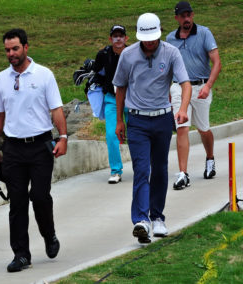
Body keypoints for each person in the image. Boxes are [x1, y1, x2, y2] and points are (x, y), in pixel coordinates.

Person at [0, 28, 67, 273]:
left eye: (15, 49)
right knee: (17, 202)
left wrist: (63, 137)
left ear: (25, 47)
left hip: (41, 145)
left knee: (40, 197)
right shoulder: (1, 79)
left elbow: (56, 109)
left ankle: (49, 234)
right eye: (7, 50)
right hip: (13, 148)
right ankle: (21, 254)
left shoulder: (44, 75)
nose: (11, 54)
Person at [113, 13, 191, 243]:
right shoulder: (128, 55)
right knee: (141, 169)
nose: (149, 43)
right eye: (145, 39)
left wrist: (183, 108)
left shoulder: (171, 52)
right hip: (137, 120)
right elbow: (120, 88)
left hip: (162, 118)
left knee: (160, 170)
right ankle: (141, 220)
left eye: (153, 38)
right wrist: (119, 120)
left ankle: (157, 217)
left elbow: (185, 83)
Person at [166, 1, 222, 190]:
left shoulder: (204, 33)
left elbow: (216, 63)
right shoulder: (170, 39)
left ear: (193, 15)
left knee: (203, 128)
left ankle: (210, 158)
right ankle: (183, 174)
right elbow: (167, 68)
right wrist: (167, 90)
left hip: (200, 87)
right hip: (179, 88)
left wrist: (208, 85)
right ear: (177, 18)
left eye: (189, 14)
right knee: (182, 126)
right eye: (183, 16)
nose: (187, 18)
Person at [92, 25, 129, 184]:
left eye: (121, 36)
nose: (118, 38)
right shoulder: (103, 54)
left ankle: (142, 167)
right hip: (111, 99)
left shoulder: (133, 53)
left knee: (136, 134)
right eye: (115, 36)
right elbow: (96, 74)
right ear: (110, 39)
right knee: (111, 134)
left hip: (132, 99)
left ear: (126, 38)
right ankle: (116, 170)